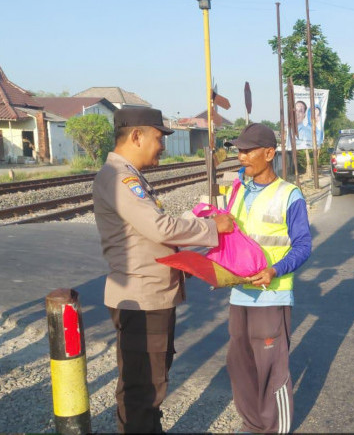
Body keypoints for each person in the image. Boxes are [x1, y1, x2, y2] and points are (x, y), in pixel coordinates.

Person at [93, 107, 235, 433]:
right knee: (145, 391)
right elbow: (159, 227)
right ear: (137, 136)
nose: (162, 146)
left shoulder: (127, 176)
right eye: (158, 138)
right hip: (142, 301)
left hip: (149, 298)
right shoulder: (117, 177)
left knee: (147, 386)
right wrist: (211, 227)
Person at [225, 123, 312, 433]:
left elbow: (303, 245)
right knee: (241, 365)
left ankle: (274, 429)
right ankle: (252, 424)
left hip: (272, 294)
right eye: (239, 151)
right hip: (239, 294)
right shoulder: (237, 190)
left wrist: (275, 270)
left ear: (269, 153)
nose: (241, 156)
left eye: (248, 151)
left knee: (271, 369)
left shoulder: (290, 194)